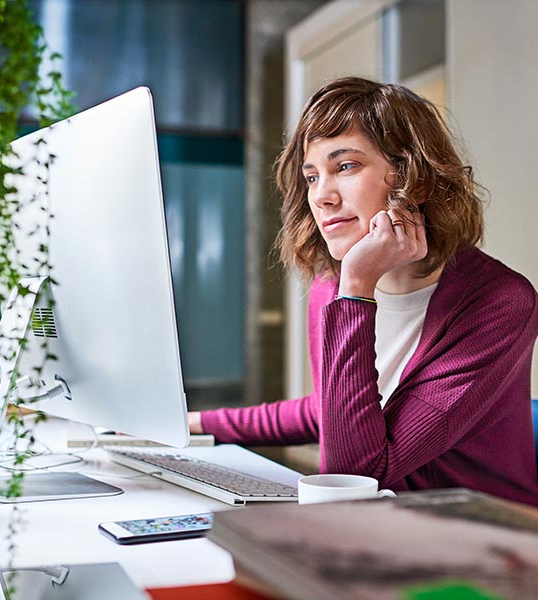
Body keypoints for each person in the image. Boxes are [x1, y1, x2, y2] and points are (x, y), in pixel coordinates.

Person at [189, 76, 538, 506]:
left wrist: (356, 290)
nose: (322, 197)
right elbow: (329, 412)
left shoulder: (500, 303)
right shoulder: (329, 288)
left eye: (346, 166)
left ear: (415, 177)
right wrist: (195, 423)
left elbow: (353, 477)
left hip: (482, 545)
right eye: (312, 176)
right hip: (378, 533)